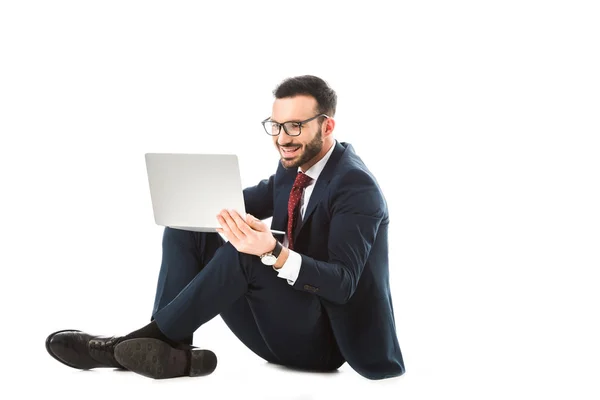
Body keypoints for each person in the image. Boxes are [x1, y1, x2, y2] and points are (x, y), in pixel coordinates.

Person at [45, 75, 406, 380]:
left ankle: (125, 346)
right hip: (273, 334)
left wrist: (273, 252)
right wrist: (193, 202)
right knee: (189, 228)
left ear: (327, 126)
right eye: (276, 126)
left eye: (296, 125)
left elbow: (343, 284)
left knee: (248, 256)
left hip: (324, 345)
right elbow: (239, 202)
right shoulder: (291, 167)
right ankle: (173, 348)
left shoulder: (356, 187)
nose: (283, 138)